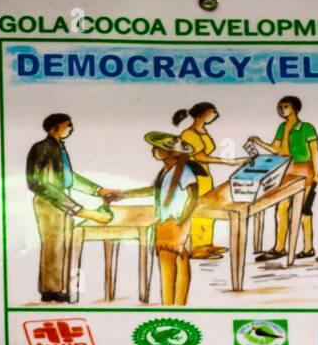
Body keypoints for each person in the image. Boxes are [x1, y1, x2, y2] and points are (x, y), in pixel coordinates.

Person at [26, 112, 116, 302]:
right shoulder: (42, 148)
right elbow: (38, 183)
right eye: (68, 125)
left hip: (61, 199)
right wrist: (80, 210)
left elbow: (69, 177)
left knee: (63, 244)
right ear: (55, 128)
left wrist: (99, 190)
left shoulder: (59, 148)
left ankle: (59, 287)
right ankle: (51, 290)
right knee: (54, 245)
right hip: (49, 200)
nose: (71, 128)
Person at [117, 132, 200, 306]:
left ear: (169, 152)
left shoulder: (184, 170)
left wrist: (182, 219)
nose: (154, 151)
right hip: (166, 220)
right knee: (171, 261)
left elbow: (193, 196)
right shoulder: (165, 170)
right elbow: (153, 190)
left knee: (174, 260)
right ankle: (170, 303)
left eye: (157, 148)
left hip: (175, 220)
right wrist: (124, 194)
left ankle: (176, 304)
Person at [248, 95, 318, 261]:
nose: (281, 109)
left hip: (304, 170)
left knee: (304, 210)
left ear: (294, 108)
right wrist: (259, 142)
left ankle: (308, 247)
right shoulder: (282, 127)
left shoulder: (306, 127)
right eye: (280, 106)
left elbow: (315, 151)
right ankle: (280, 247)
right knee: (281, 209)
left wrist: (316, 176)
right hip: (286, 171)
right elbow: (276, 149)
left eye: (285, 106)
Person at [172, 102, 244, 259]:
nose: (216, 114)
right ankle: (197, 248)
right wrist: (231, 161)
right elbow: (200, 156)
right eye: (212, 112)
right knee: (198, 210)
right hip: (194, 176)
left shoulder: (202, 131)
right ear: (200, 114)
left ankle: (206, 245)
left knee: (207, 208)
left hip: (205, 175)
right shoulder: (189, 134)